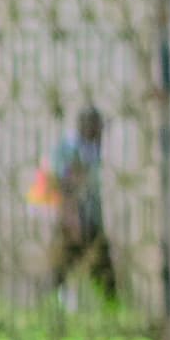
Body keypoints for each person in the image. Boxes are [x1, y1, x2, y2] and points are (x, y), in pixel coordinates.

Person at [48, 106, 116, 303]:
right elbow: (65, 184)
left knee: (96, 261)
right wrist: (71, 216)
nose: (100, 132)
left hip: (88, 215)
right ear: (88, 126)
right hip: (76, 216)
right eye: (98, 127)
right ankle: (59, 299)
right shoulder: (72, 149)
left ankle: (109, 302)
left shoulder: (89, 147)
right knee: (69, 260)